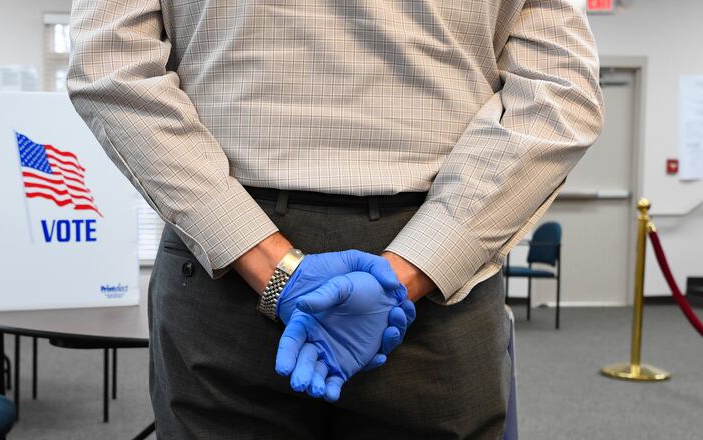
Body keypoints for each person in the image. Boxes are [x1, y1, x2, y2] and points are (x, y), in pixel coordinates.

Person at [67, 0, 603, 437]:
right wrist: (404, 276)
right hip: (434, 279)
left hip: (227, 267)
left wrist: (278, 270)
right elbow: (559, 95)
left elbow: (110, 63)